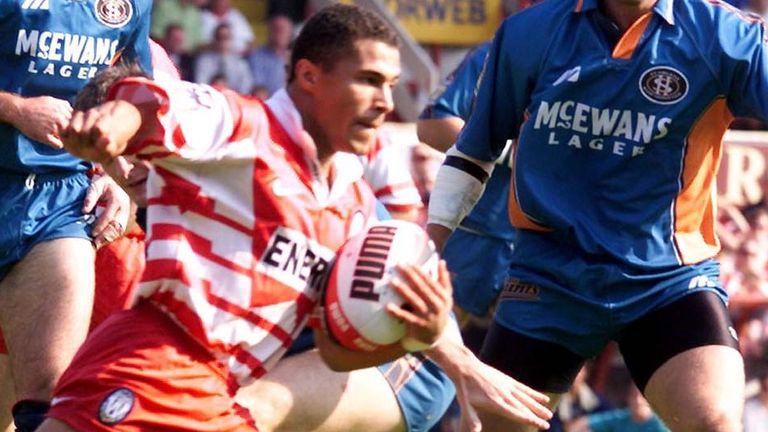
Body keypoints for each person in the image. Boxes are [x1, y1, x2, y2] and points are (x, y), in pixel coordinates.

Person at [37, 5, 552, 431]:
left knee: (255, 406)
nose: (128, 167)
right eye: (369, 82)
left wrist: (464, 367)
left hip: (399, 365)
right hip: (185, 375)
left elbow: (153, 103)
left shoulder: (248, 140)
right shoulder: (120, 219)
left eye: (387, 87)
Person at [427, 0, 755, 430]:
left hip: (668, 281)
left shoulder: (727, 35)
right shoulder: (529, 31)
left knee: (715, 422)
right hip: (547, 279)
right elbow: (472, 150)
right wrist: (427, 249)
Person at [0, 1, 152, 430]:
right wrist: (16, 109)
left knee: (48, 402)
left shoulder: (132, 5)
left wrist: (114, 171)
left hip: (58, 200)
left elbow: (133, 96)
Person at [417, 41, 516, 328]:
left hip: (551, 244)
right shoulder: (504, 50)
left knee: (549, 367)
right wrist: (514, 154)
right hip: (477, 240)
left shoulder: (623, 60)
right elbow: (434, 123)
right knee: (436, 356)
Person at [195, 23, 254, 94]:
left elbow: (246, 87)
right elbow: (200, 85)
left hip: (234, 100)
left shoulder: (240, 62)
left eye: (226, 37)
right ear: (214, 39)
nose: (222, 41)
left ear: (231, 39)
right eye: (219, 37)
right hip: (209, 99)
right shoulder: (203, 61)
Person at [246, 14, 293, 97]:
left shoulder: (295, 58)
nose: (279, 34)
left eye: (283, 30)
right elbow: (258, 89)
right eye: (276, 30)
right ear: (269, 32)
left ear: (290, 34)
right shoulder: (256, 56)